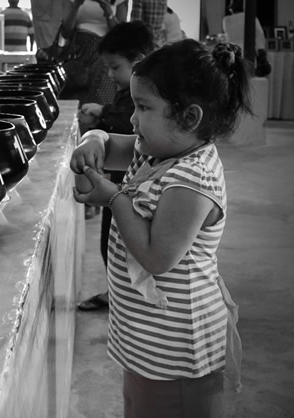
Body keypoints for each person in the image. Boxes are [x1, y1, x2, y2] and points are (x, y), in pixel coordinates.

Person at [70, 38, 250, 416]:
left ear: (189, 118)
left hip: (178, 353)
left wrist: (114, 198)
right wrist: (93, 139)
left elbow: (157, 256)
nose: (133, 119)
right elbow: (110, 144)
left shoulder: (193, 179)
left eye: (143, 107)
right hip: (147, 342)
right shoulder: (155, 148)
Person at [76, 20, 154, 311]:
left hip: (128, 189)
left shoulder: (186, 177)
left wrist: (103, 115)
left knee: (129, 246)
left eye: (114, 67)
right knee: (113, 242)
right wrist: (96, 133)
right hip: (123, 181)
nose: (136, 119)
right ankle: (118, 293)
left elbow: (157, 256)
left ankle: (126, 297)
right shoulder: (133, 91)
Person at [58, 0, 129, 105]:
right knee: (74, 98)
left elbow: (121, 35)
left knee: (101, 99)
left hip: (106, 53)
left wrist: (108, 11)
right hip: (79, 52)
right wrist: (76, 6)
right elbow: (66, 31)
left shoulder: (119, 2)